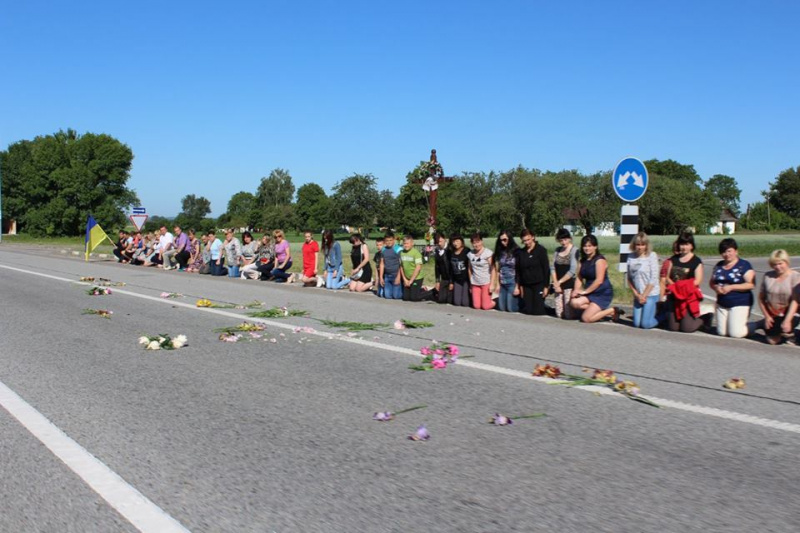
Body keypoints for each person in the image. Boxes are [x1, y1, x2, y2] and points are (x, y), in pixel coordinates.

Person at [710, 238, 755, 338]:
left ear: (736, 251)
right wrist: (716, 287)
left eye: (729, 251)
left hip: (740, 301)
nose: (727, 254)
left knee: (736, 333)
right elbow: (712, 282)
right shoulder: (719, 265)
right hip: (722, 302)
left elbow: (751, 284)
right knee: (722, 332)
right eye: (723, 252)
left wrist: (731, 287)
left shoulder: (744, 265)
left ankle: (756, 325)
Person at [571, 235, 619, 323]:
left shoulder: (600, 260)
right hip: (590, 292)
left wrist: (585, 292)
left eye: (590, 246)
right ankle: (597, 310)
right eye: (585, 246)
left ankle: (612, 310)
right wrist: (576, 290)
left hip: (602, 292)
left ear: (595, 247)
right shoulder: (582, 261)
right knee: (574, 303)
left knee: (586, 318)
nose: (587, 248)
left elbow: (599, 280)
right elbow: (579, 277)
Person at [756, 250, 799, 344]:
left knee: (786, 328)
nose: (778, 267)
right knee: (773, 341)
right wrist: (767, 316)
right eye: (775, 264)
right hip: (773, 312)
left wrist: (787, 320)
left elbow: (795, 300)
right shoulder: (767, 276)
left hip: (789, 312)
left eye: (780, 263)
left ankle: (790, 331)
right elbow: (761, 298)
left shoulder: (795, 276)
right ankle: (761, 323)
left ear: (786, 262)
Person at [665, 231, 705, 333]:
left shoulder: (696, 261)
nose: (684, 247)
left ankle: (703, 320)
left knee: (687, 328)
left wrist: (681, 287)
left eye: (687, 244)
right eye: (682, 244)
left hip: (688, 297)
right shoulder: (673, 260)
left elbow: (697, 280)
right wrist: (674, 287)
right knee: (673, 328)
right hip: (674, 296)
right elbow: (667, 277)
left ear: (691, 245)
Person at [626, 232, 660, 329]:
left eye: (642, 245)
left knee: (645, 324)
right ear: (634, 245)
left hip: (650, 294)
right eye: (638, 244)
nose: (640, 247)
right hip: (638, 294)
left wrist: (644, 295)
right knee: (636, 324)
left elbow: (653, 279)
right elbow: (629, 278)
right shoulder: (631, 257)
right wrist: (636, 294)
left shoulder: (652, 256)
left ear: (646, 245)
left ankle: (662, 317)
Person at [515, 229, 549, 315]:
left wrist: (546, 286)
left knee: (538, 312)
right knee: (529, 311)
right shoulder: (521, 253)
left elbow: (546, 269)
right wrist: (520, 287)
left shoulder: (541, 250)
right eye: (524, 241)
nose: (527, 242)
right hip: (526, 284)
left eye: (528, 240)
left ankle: (548, 310)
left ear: (533, 237)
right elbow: (519, 271)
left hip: (538, 283)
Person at [551, 228, 579, 319]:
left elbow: (572, 270)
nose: (563, 242)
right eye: (561, 240)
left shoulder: (574, 250)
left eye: (565, 239)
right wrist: (556, 283)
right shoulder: (557, 250)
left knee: (568, 315)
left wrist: (559, 282)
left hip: (569, 283)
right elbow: (552, 267)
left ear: (570, 238)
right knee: (559, 314)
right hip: (558, 283)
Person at [493, 230, 520, 312]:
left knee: (511, 309)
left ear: (510, 239)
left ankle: (523, 302)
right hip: (503, 283)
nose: (503, 242)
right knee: (502, 308)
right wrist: (497, 284)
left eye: (505, 239)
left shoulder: (517, 251)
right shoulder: (500, 252)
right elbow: (498, 269)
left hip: (513, 282)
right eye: (501, 240)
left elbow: (519, 270)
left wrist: (517, 287)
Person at [468, 233, 495, 310]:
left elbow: (493, 269)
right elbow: (469, 269)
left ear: (482, 241)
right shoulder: (470, 254)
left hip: (486, 282)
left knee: (485, 307)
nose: (476, 244)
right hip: (475, 283)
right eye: (474, 243)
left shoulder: (488, 253)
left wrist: (492, 284)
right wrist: (471, 282)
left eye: (478, 242)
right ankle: (484, 300)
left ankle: (495, 301)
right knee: (476, 306)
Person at [399, 235, 426, 301]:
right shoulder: (401, 253)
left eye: (408, 243)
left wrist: (411, 281)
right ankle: (416, 290)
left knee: (414, 298)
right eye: (404, 243)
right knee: (405, 298)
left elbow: (418, 267)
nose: (406, 245)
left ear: (412, 244)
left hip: (416, 278)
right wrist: (405, 279)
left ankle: (430, 292)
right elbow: (401, 266)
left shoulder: (416, 253)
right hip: (407, 278)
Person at [379, 232, 403, 299]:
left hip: (396, 275)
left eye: (390, 240)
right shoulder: (383, 250)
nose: (389, 242)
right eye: (387, 241)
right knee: (388, 296)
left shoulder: (398, 249)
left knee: (396, 296)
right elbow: (382, 264)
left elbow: (401, 264)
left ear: (394, 240)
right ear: (384, 241)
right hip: (387, 276)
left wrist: (398, 277)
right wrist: (381, 277)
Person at [448, 233, 470, 307]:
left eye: (457, 241)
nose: (455, 243)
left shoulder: (467, 251)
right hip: (457, 280)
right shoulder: (451, 253)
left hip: (466, 280)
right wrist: (451, 282)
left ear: (461, 241)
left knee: (465, 303)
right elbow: (451, 269)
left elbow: (470, 267)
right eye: (453, 241)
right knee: (457, 303)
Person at [432, 231, 452, 304]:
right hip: (444, 279)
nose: (439, 243)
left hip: (452, 279)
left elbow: (452, 267)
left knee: (450, 300)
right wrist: (437, 281)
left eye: (440, 241)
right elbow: (437, 267)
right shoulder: (437, 250)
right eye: (437, 242)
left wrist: (451, 282)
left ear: (445, 239)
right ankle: (433, 292)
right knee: (441, 300)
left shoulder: (450, 249)